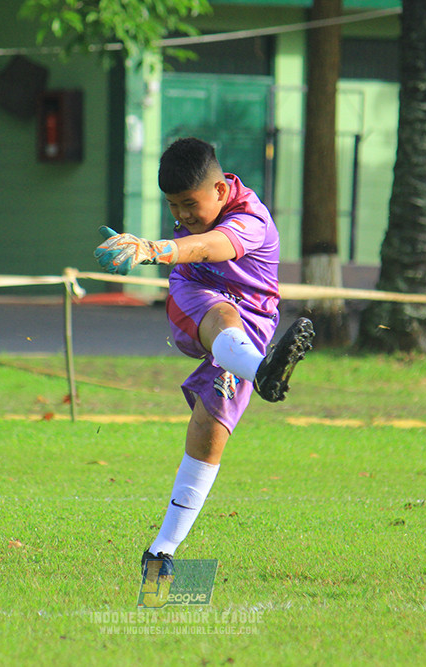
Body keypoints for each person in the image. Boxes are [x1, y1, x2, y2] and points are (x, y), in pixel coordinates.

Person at [93, 137, 314, 579]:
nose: (182, 216)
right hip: (195, 298)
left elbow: (215, 245)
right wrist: (163, 251)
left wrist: (155, 248)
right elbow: (198, 252)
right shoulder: (198, 214)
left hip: (254, 323)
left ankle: (160, 552)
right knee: (220, 314)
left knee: (211, 428)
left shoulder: (252, 216)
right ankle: (264, 371)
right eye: (173, 207)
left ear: (219, 189)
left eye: (189, 204)